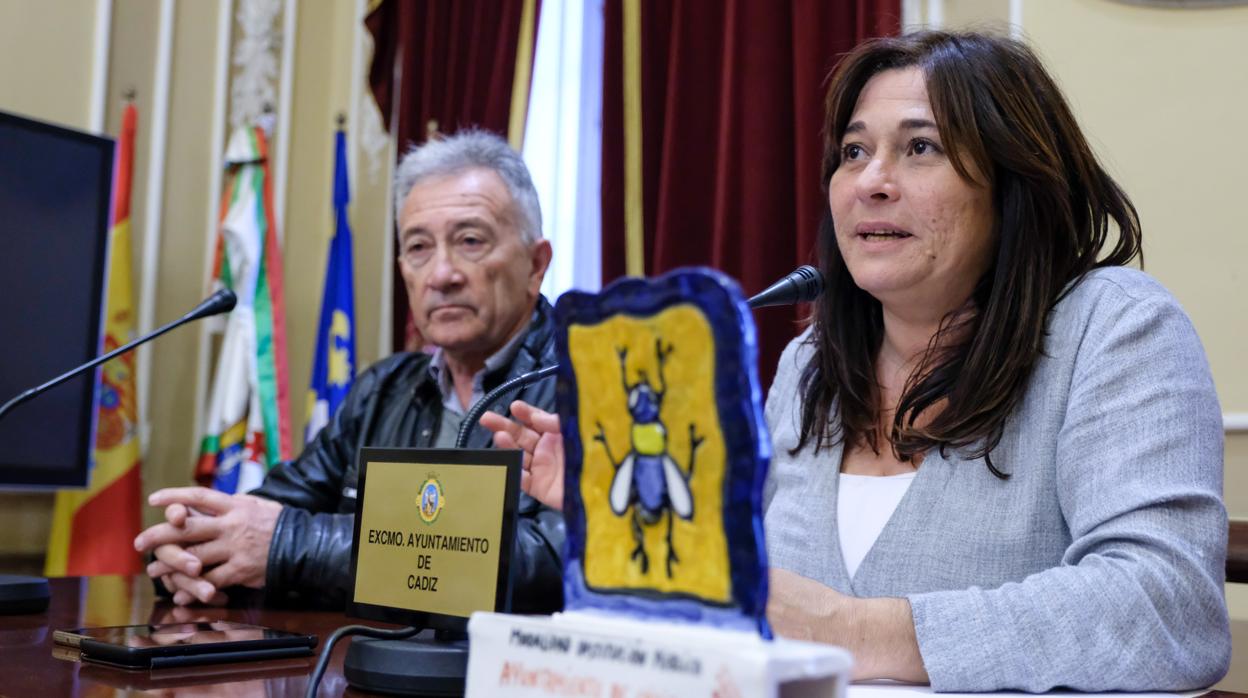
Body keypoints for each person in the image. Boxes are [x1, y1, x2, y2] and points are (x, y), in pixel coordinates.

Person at [481, 31, 1231, 692]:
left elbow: (1169, 608)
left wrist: (857, 631)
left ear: (1012, 183)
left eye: (920, 147)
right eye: (853, 152)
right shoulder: (809, 365)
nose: (872, 181)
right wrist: (624, 501)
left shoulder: (1115, 327)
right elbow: (748, 595)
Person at [135, 129, 565, 612]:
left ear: (535, 264)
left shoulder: (586, 388)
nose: (442, 274)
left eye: (469, 241)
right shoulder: (384, 389)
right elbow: (261, 520)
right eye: (419, 247)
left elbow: (553, 562)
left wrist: (287, 548)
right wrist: (186, 550)